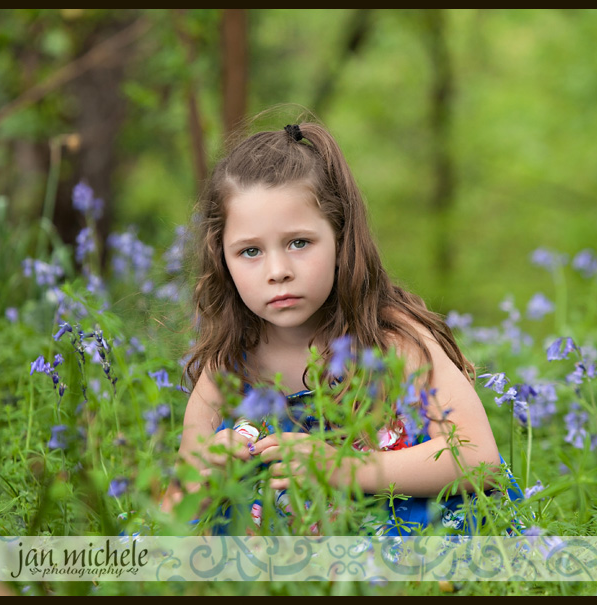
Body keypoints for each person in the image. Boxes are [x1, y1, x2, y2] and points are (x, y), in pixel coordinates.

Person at [162, 120, 521, 535]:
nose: (278, 271)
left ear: (340, 239)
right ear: (222, 258)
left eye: (299, 243)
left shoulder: (390, 341)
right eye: (250, 251)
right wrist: (204, 476)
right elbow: (177, 504)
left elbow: (479, 459)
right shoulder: (228, 365)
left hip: (386, 527)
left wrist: (341, 468)